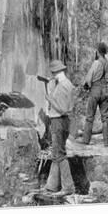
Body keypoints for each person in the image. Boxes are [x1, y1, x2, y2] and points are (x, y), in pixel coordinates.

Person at [44, 60, 76, 196]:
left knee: (60, 154)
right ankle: (51, 186)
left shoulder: (63, 86)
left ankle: (68, 187)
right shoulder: (67, 84)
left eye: (52, 73)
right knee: (56, 153)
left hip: (59, 121)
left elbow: (62, 109)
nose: (52, 75)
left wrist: (50, 100)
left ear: (55, 72)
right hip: (63, 121)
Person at [81, 42, 108, 147]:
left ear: (98, 52)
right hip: (105, 90)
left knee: (90, 117)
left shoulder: (96, 63)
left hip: (95, 90)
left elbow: (88, 78)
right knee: (105, 118)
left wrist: (86, 86)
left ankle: (86, 141)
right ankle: (107, 142)